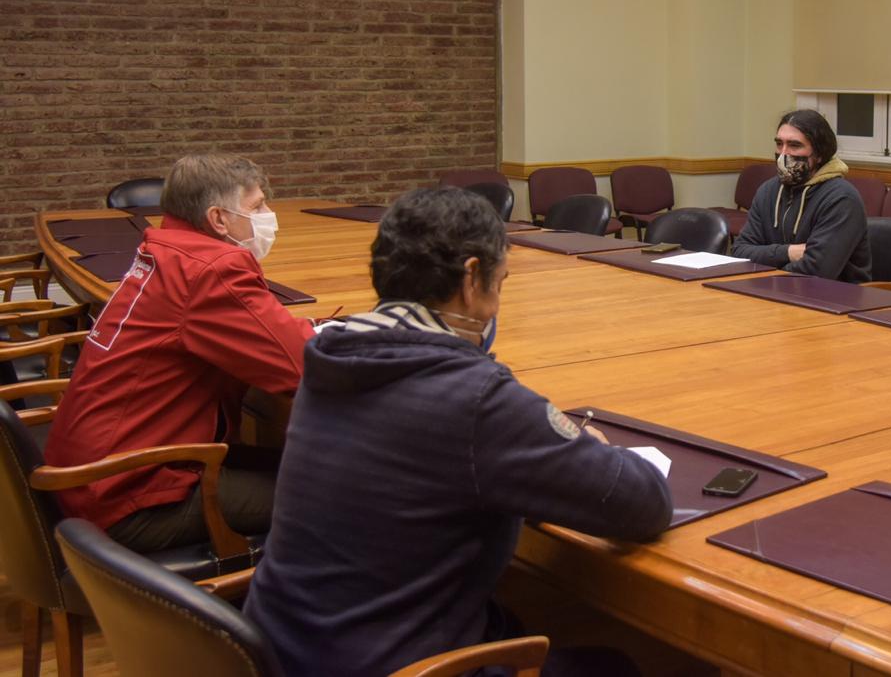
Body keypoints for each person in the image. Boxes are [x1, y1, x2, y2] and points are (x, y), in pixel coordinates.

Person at [244, 187, 673, 677]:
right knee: (613, 665)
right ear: (472, 278)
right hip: (390, 663)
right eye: (501, 281)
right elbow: (642, 503)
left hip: (286, 648)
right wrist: (583, 447)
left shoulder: (333, 357)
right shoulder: (473, 398)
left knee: (516, 620)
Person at [45, 154, 315, 551]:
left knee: (310, 468)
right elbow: (299, 368)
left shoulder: (165, 253)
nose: (269, 214)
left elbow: (258, 334)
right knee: (342, 495)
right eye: (257, 206)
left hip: (91, 476)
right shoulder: (211, 269)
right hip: (132, 496)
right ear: (218, 219)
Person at [729, 109, 872, 282]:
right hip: (776, 293)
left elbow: (817, 270)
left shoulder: (841, 199)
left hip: (834, 300)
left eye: (794, 145)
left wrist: (767, 267)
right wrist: (788, 252)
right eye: (779, 144)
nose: (784, 153)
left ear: (819, 154)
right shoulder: (768, 190)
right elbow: (740, 251)